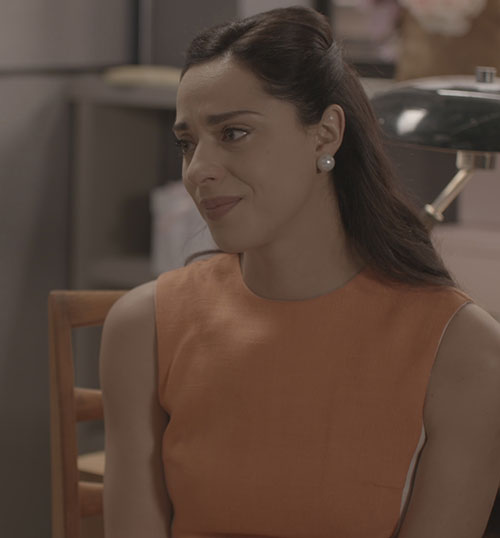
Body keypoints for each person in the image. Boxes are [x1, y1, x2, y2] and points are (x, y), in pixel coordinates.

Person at [100, 7, 500, 538]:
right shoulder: (142, 328)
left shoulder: (464, 351)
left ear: (326, 133)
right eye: (187, 143)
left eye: (234, 132)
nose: (198, 170)